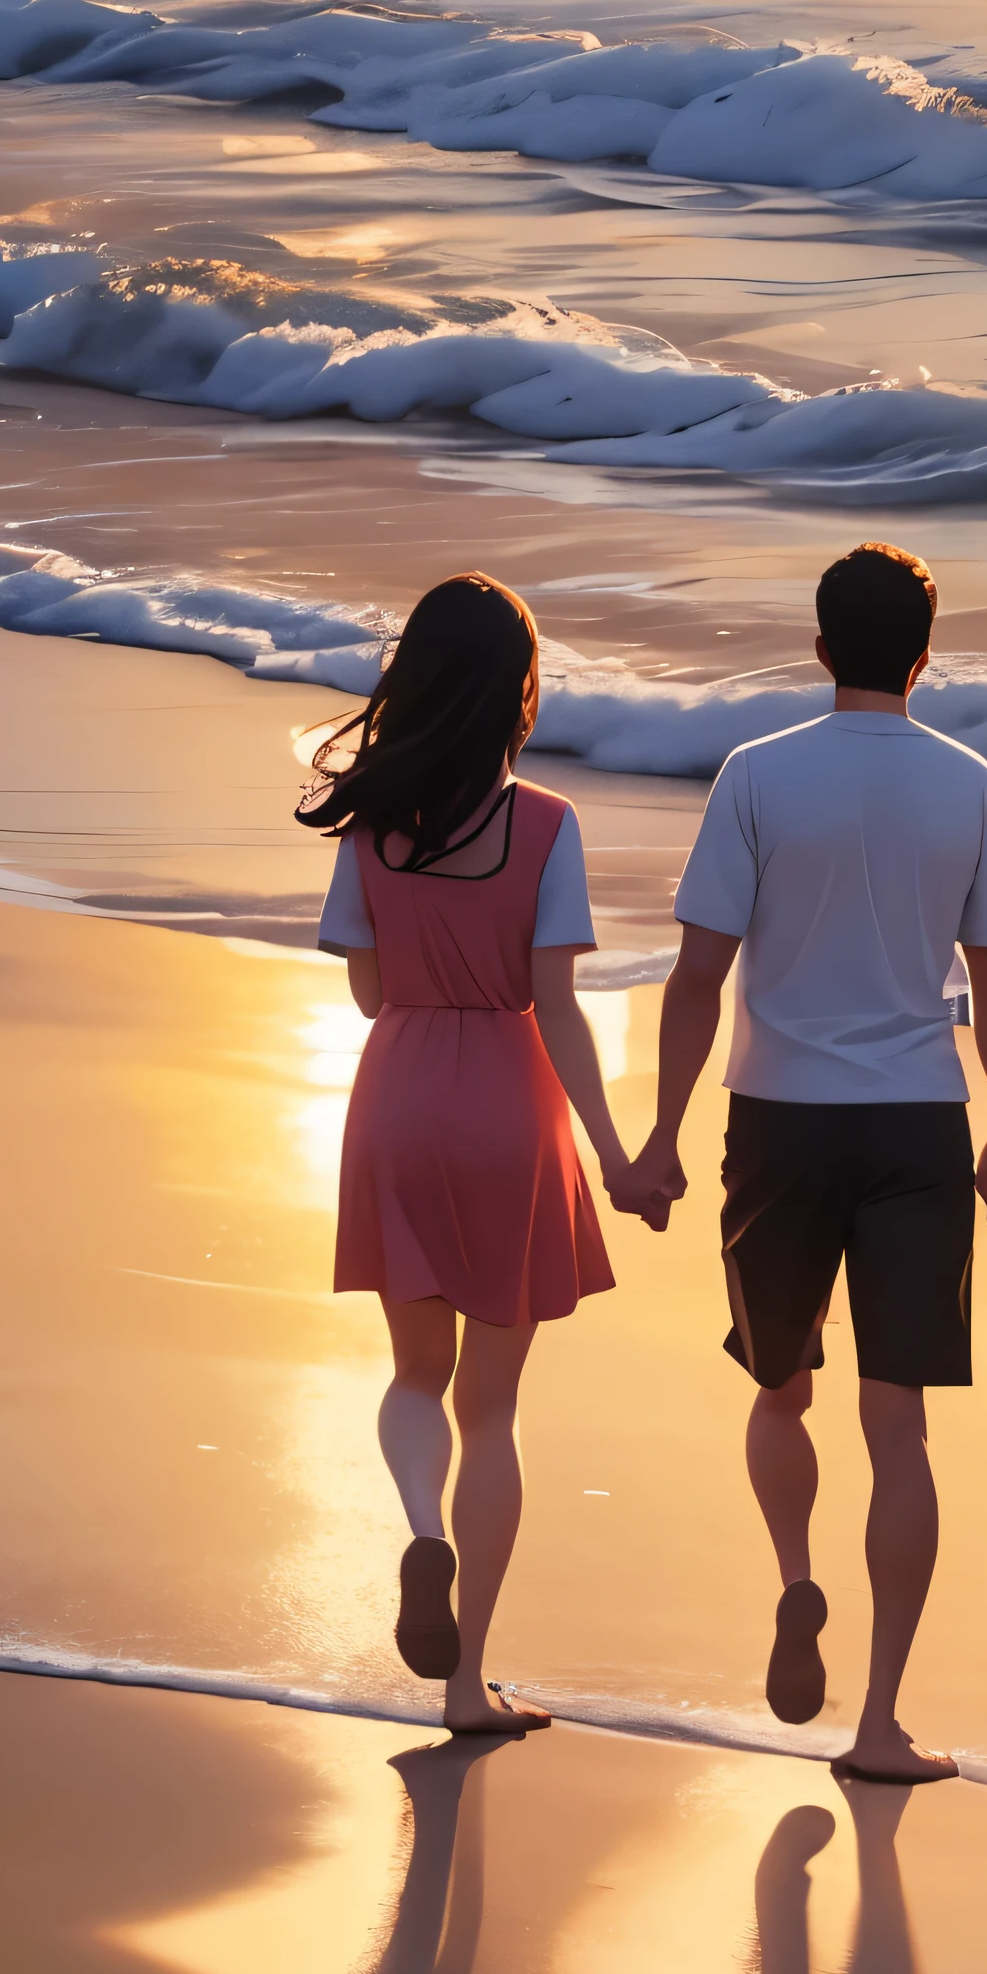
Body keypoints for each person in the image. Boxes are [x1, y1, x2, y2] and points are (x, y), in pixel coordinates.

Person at [627, 543, 987, 1788]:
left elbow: (698, 975)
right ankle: (879, 1724)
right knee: (898, 1428)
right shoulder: (966, 782)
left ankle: (798, 1579)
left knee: (778, 1388)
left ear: (819, 648)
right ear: (925, 655)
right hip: (917, 1116)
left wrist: (658, 1137)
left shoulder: (757, 775)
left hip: (778, 1119)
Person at [302, 572, 638, 1738]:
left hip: (396, 1090)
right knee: (491, 1413)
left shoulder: (371, 822)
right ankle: (465, 1686)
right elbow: (557, 1004)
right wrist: (613, 1147)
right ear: (519, 693)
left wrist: (424, 1011)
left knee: (414, 1378)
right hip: (508, 1099)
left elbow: (365, 986)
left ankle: (422, 1529)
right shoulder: (546, 826)